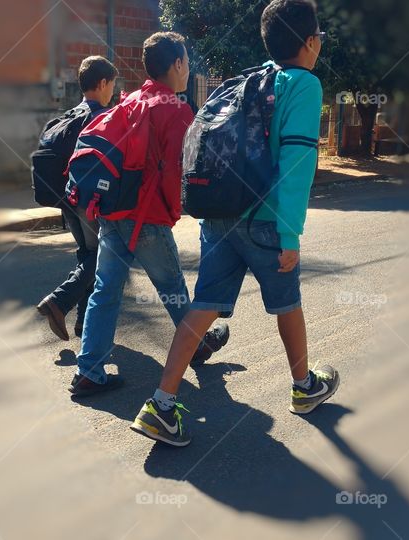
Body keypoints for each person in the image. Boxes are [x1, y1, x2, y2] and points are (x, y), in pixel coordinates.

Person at [130, 0, 339, 446]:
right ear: (310, 42)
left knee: (203, 306)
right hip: (266, 220)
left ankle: (160, 405)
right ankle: (304, 387)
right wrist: (289, 234)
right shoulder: (303, 84)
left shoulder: (251, 79)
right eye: (319, 36)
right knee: (287, 303)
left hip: (220, 215)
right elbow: (297, 164)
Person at [70, 32, 230, 398]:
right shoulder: (176, 109)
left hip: (112, 213)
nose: (188, 69)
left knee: (105, 291)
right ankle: (196, 345)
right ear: (177, 64)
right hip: (147, 219)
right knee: (173, 289)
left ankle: (89, 371)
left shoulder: (129, 100)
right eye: (186, 62)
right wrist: (177, 211)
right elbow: (179, 171)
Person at [37, 56, 118, 341]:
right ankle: (58, 302)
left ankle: (84, 324)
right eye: (112, 85)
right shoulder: (102, 118)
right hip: (90, 202)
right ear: (103, 83)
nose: (113, 91)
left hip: (66, 199)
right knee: (102, 257)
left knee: (88, 255)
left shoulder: (69, 116)